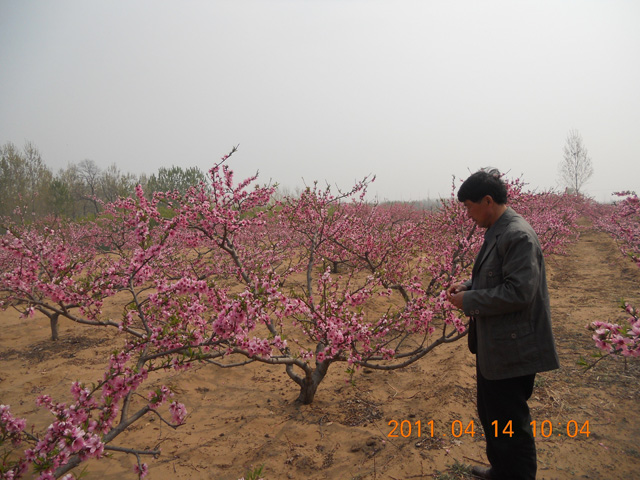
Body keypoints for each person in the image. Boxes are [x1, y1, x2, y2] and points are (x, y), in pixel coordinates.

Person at [446, 169, 559, 480]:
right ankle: (501, 471)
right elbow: (496, 277)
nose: (468, 215)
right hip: (496, 346)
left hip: (513, 348)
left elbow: (519, 292)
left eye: (469, 206)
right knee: (493, 417)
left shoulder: (517, 235)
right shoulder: (498, 230)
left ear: (487, 200)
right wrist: (470, 286)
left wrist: (468, 302)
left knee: (511, 424)